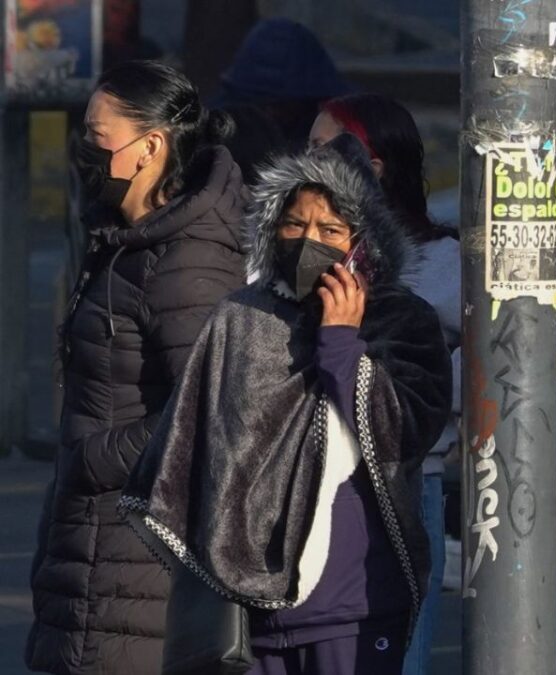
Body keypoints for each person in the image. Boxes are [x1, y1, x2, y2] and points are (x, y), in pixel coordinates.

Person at [120, 134, 452, 673]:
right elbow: (195, 450)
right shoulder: (241, 317)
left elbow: (405, 431)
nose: (307, 241)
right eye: (294, 225)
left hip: (356, 608)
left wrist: (342, 344)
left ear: (362, 241)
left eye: (330, 230)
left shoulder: (401, 319)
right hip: (252, 615)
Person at [26, 61, 246, 674]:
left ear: (151, 146)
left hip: (138, 557)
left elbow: (206, 409)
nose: (84, 153)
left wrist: (93, 460)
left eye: (98, 140)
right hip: (95, 547)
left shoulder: (186, 259)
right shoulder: (125, 240)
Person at [309, 92, 461, 675]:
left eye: (324, 148)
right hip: (310, 483)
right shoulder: (297, 251)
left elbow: (524, 358)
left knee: (395, 660)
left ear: (371, 168)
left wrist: (414, 384)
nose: (309, 160)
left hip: (404, 481)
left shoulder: (443, 260)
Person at [212, 17, 352, 148]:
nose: (271, 114)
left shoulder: (326, 136)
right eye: (263, 105)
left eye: (282, 105)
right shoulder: (222, 130)